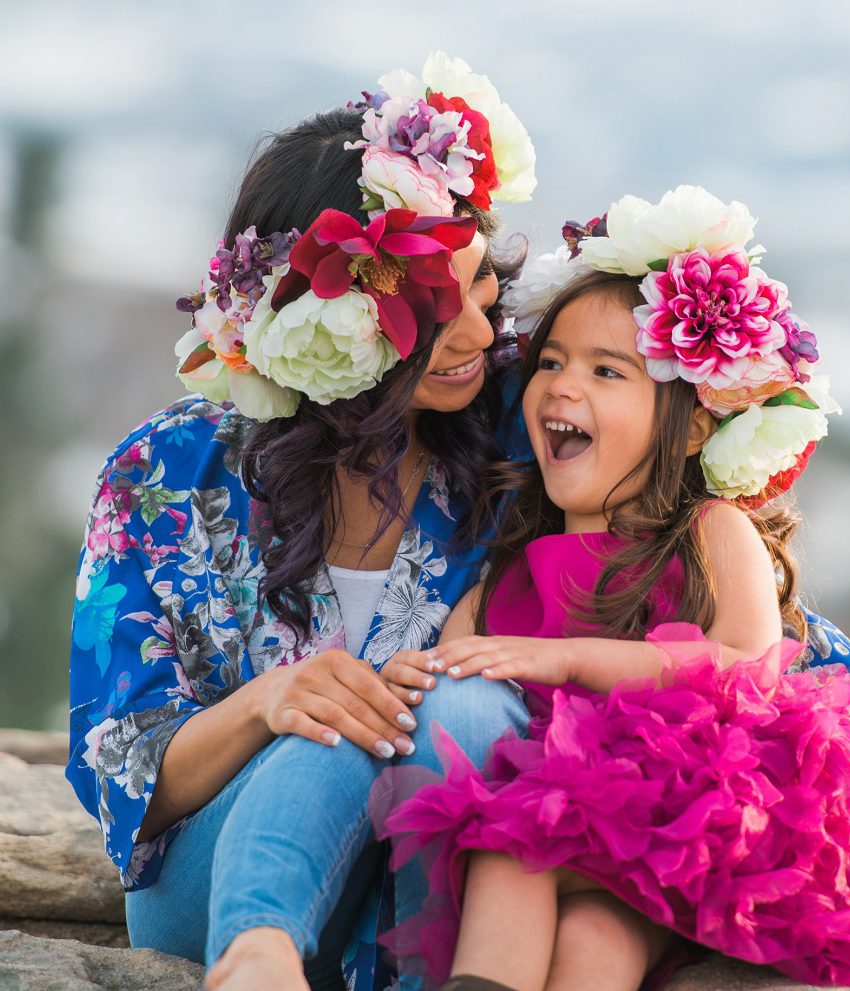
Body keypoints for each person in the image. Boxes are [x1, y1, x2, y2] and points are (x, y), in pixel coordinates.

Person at [372, 188, 850, 991]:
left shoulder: (708, 533)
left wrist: (567, 660)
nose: (561, 386)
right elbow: (455, 664)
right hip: (589, 834)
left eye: (605, 370)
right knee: (587, 933)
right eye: (550, 363)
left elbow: (749, 669)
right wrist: (408, 677)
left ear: (693, 424)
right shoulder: (517, 563)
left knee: (509, 854)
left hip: (708, 819)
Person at [67, 53, 538, 991]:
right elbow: (119, 767)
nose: (483, 336)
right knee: (342, 720)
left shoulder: (524, 436)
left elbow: (697, 577)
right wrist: (264, 704)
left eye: (482, 288)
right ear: (344, 318)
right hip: (217, 876)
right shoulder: (166, 470)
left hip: (439, 888)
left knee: (457, 705)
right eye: (438, 313)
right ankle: (257, 959)